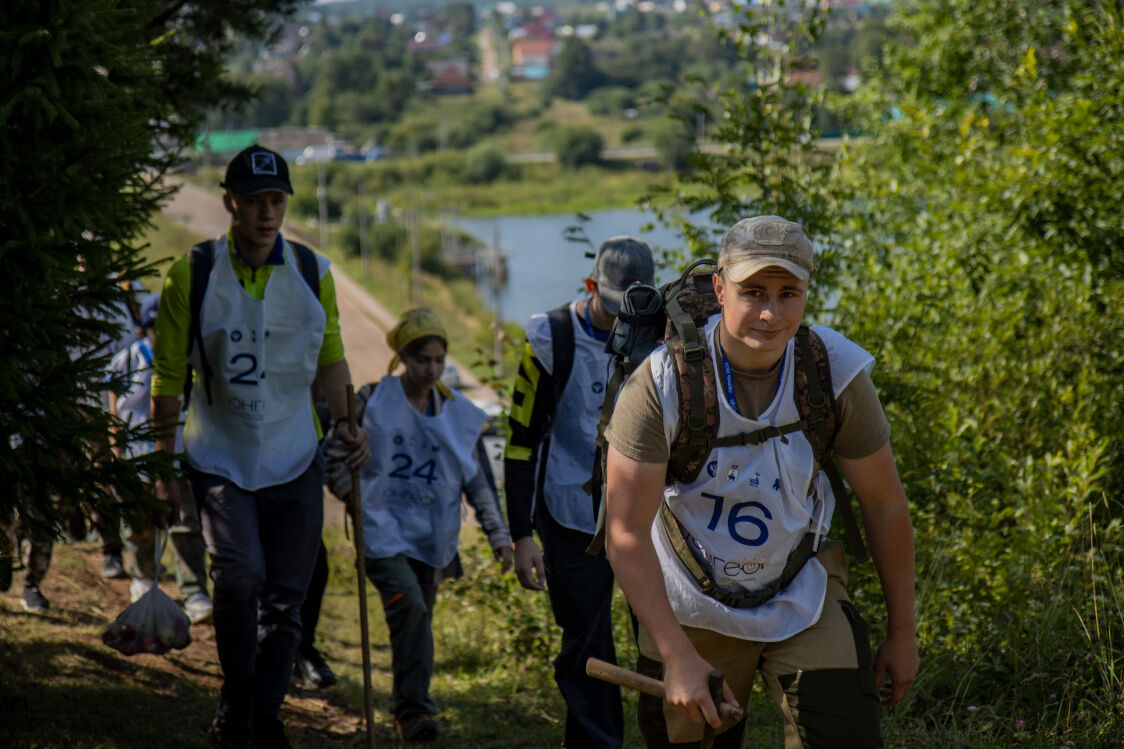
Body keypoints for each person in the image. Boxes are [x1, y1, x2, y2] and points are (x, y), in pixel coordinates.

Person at [602, 216, 918, 748]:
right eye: (753, 292)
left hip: (802, 587)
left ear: (807, 292)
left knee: (845, 735)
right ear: (720, 288)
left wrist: (902, 633)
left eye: (788, 294)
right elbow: (626, 532)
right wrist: (677, 656)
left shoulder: (832, 369)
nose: (771, 313)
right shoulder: (660, 383)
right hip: (690, 600)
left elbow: (884, 503)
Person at [150, 145, 370, 749]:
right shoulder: (192, 273)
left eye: (276, 200)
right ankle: (238, 696)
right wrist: (162, 467)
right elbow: (167, 375)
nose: (267, 213)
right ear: (230, 203)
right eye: (253, 201)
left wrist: (348, 424)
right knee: (240, 577)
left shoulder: (312, 272)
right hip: (219, 454)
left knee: (287, 598)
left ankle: (267, 716)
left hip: (294, 454)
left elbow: (330, 357)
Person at [322, 308, 513, 743]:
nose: (431, 369)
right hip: (381, 531)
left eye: (439, 360)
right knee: (410, 607)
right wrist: (355, 499)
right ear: (403, 358)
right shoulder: (371, 401)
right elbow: (332, 458)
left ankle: (407, 709)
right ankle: (415, 710)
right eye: (422, 359)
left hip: (432, 536)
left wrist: (499, 538)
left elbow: (479, 483)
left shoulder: (457, 415)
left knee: (417, 622)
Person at [505, 237, 656, 749]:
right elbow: (520, 441)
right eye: (613, 307)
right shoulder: (551, 338)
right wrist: (521, 535)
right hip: (570, 512)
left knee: (660, 639)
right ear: (591, 285)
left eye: (632, 310)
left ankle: (668, 736)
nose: (621, 321)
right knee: (587, 643)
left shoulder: (663, 337)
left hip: (648, 517)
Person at [106, 294, 214, 623]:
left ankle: (194, 591)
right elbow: (114, 405)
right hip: (137, 458)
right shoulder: (128, 360)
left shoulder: (189, 362)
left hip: (178, 456)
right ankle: (143, 576)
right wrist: (116, 449)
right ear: (146, 328)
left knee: (185, 526)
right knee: (138, 523)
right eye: (158, 328)